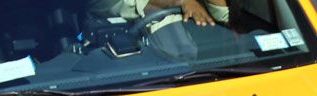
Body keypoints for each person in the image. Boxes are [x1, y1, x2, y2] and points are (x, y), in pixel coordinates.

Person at [89, 0, 230, 27]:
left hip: (205, 71)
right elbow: (118, 6)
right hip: (130, 74)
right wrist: (180, 2)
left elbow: (224, 16)